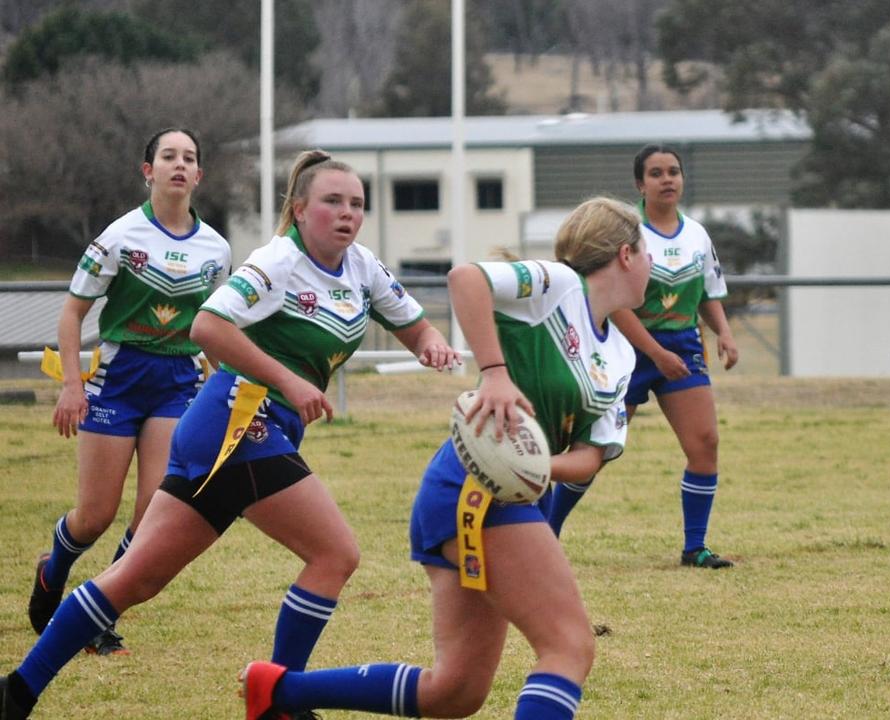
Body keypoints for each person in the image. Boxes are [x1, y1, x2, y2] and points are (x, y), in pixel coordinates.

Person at [0, 150, 459, 720]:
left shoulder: (363, 266)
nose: (348, 214)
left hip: (231, 432)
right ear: (298, 210)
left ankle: (16, 691)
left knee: (133, 580)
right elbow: (207, 326)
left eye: (357, 204)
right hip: (237, 422)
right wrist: (289, 380)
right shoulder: (277, 263)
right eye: (332, 202)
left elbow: (415, 326)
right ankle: (278, 701)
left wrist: (432, 344)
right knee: (335, 553)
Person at [237, 196, 648, 720]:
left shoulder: (622, 355)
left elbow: (590, 456)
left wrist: (537, 468)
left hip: (508, 495)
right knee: (570, 646)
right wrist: (495, 373)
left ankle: (277, 694)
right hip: (471, 488)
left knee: (454, 692)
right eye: (648, 254)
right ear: (626, 255)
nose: (653, 266)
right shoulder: (558, 284)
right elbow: (466, 279)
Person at [28, 127, 231, 657]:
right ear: (149, 171)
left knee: (150, 517)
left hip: (177, 385)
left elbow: (214, 325)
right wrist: (73, 386)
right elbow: (72, 314)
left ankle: (97, 614)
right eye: (169, 156)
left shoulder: (217, 249)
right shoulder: (118, 237)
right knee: (94, 516)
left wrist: (224, 379)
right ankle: (53, 570)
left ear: (199, 175)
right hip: (118, 381)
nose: (179, 165)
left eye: (189, 158)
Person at [545, 145, 739, 569]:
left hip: (683, 348)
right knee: (594, 446)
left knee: (704, 443)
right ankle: (546, 534)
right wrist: (654, 351)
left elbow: (708, 293)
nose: (667, 179)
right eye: (656, 173)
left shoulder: (697, 236)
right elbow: (613, 302)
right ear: (640, 184)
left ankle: (695, 548)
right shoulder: (624, 234)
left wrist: (724, 333)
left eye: (674, 171)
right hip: (625, 347)